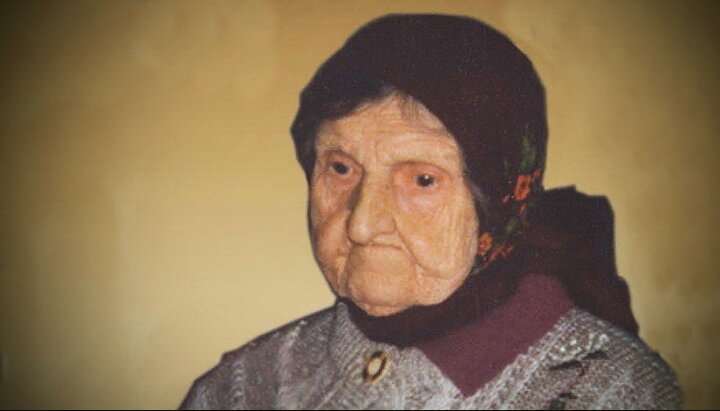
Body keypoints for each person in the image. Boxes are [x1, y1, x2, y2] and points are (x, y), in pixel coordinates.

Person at [180, 14, 682, 409]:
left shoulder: (613, 392)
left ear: (499, 202)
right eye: (340, 168)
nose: (362, 224)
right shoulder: (243, 387)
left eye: (422, 180)